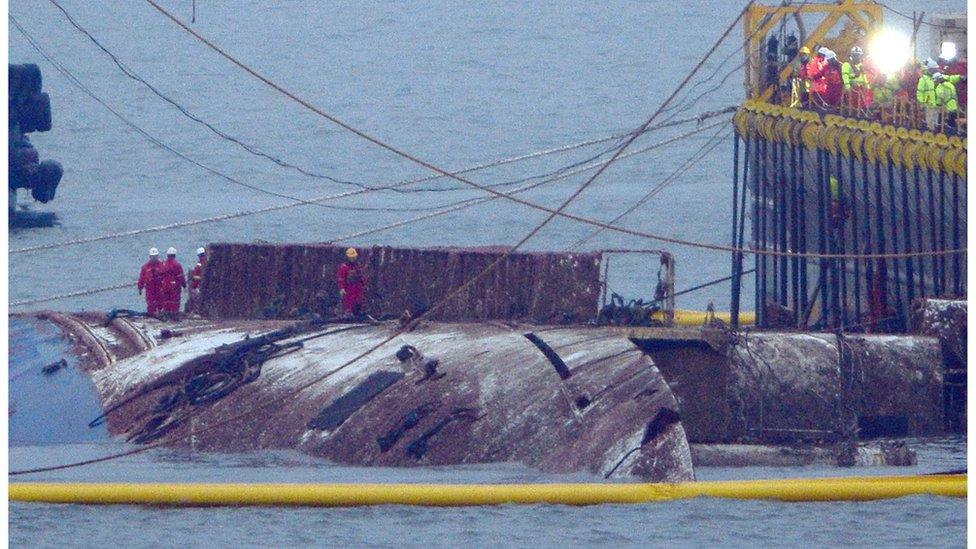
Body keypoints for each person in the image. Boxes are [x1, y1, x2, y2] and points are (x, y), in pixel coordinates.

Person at [842, 46, 874, 111]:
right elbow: (845, 76)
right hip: (853, 88)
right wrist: (848, 86)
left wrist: (867, 86)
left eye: (858, 55)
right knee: (853, 104)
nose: (857, 57)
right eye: (856, 55)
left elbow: (863, 76)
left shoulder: (860, 65)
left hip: (861, 89)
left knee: (862, 104)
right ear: (852, 55)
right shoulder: (847, 65)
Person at [337, 247, 367, 316]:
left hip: (358, 286)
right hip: (349, 287)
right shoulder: (344, 267)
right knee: (349, 300)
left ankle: (357, 312)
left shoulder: (358, 265)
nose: (353, 258)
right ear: (348, 257)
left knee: (359, 299)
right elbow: (342, 278)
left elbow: (362, 275)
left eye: (354, 257)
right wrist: (342, 288)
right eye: (351, 257)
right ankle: (348, 312)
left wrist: (363, 284)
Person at [158, 247, 187, 317]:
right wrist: (184, 285)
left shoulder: (163, 264)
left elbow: (160, 275)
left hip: (165, 285)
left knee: (166, 300)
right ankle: (174, 315)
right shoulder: (177, 265)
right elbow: (181, 277)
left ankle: (167, 314)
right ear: (174, 255)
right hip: (174, 286)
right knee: (175, 301)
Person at [137, 247, 162, 316]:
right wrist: (140, 288)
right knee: (151, 304)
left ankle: (161, 314)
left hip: (159, 288)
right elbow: (141, 278)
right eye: (152, 256)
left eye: (155, 256)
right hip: (150, 289)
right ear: (150, 257)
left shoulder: (162, 265)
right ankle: (151, 316)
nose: (154, 258)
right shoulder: (145, 267)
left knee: (161, 303)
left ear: (157, 256)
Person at [185, 247, 206, 313]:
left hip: (200, 286)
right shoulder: (208, 263)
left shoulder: (199, 265)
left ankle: (197, 311)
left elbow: (197, 278)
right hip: (207, 285)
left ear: (199, 256)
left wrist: (193, 286)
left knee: (195, 297)